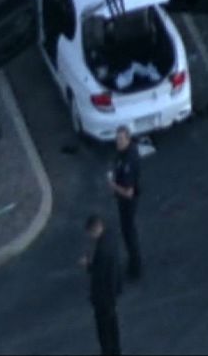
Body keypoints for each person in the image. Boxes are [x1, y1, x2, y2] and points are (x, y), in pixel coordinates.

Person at [80, 215, 122, 355]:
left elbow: (99, 273)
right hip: (111, 294)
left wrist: (87, 265)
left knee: (104, 329)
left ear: (95, 229)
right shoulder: (110, 237)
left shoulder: (102, 250)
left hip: (103, 298)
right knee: (113, 327)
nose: (91, 237)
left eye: (90, 233)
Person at [110, 126, 142, 280]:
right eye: (117, 139)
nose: (118, 142)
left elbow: (129, 192)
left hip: (127, 202)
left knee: (129, 234)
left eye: (121, 139)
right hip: (122, 200)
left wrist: (113, 185)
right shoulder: (122, 154)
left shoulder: (129, 159)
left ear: (128, 139)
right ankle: (133, 263)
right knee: (127, 233)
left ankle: (136, 269)